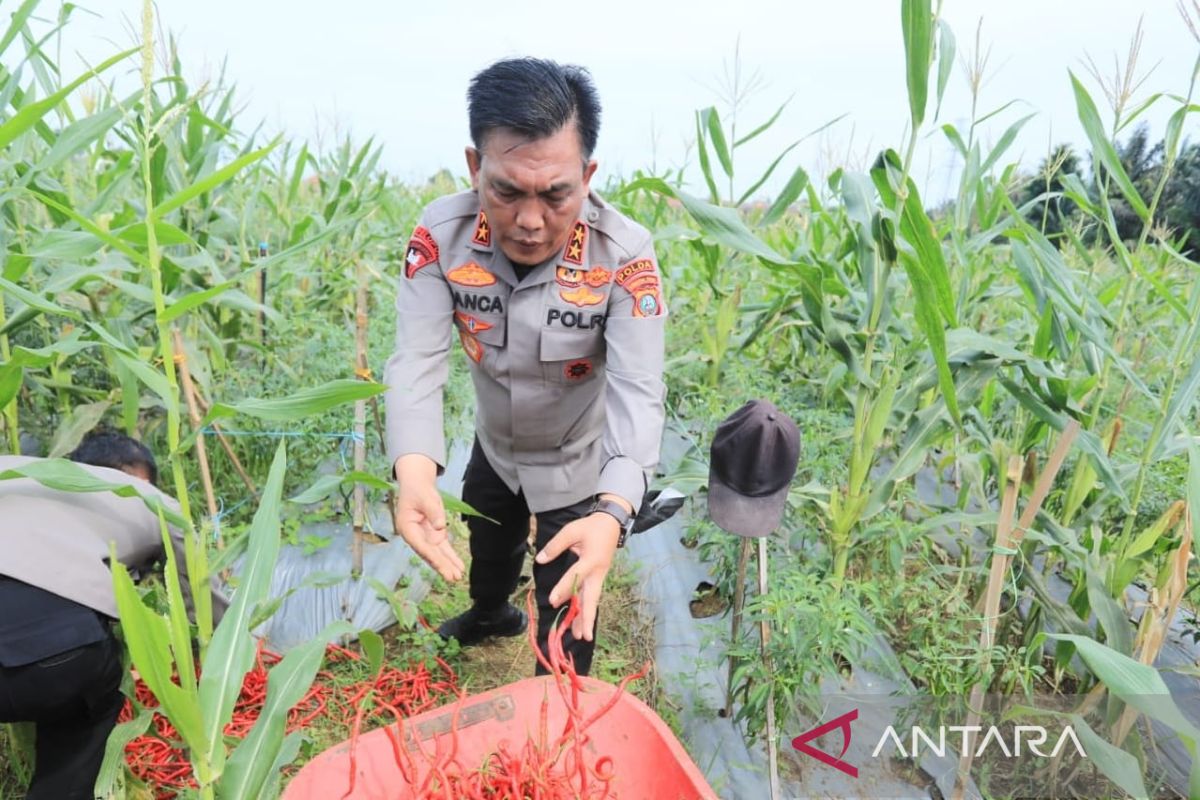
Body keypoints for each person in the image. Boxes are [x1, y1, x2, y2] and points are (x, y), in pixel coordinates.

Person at [385, 57, 667, 676]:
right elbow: (416, 360)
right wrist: (412, 472)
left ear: (588, 176)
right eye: (506, 191)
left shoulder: (623, 256)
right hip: (496, 445)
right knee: (489, 552)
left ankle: (558, 708)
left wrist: (613, 513)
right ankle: (491, 613)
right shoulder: (440, 236)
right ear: (474, 167)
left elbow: (638, 391)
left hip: (577, 459)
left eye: (556, 194)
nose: (531, 221)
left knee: (567, 605)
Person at [0, 431, 227, 800]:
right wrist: (240, 652)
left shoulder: (12, 470)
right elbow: (204, 599)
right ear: (131, 475)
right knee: (95, 690)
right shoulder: (143, 495)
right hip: (59, 655)